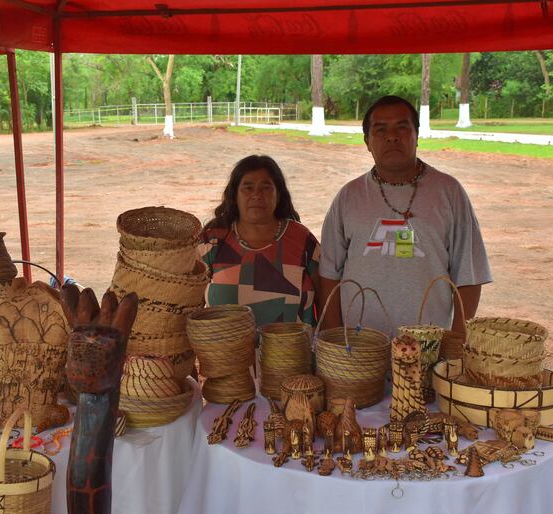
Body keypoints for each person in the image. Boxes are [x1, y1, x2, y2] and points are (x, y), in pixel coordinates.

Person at [319, 95, 492, 335]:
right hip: (359, 347)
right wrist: (337, 338)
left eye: (402, 127)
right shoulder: (348, 197)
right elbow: (329, 275)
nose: (392, 136)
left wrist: (457, 341)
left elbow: (469, 275)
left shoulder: (449, 193)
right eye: (380, 129)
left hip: (428, 346)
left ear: (416, 135)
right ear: (367, 141)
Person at [199, 155, 320, 327]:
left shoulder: (302, 240)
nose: (256, 195)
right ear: (235, 195)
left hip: (293, 345)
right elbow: (188, 305)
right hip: (223, 345)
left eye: (266, 188)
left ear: (278, 195)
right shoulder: (213, 241)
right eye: (248, 188)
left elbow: (327, 299)